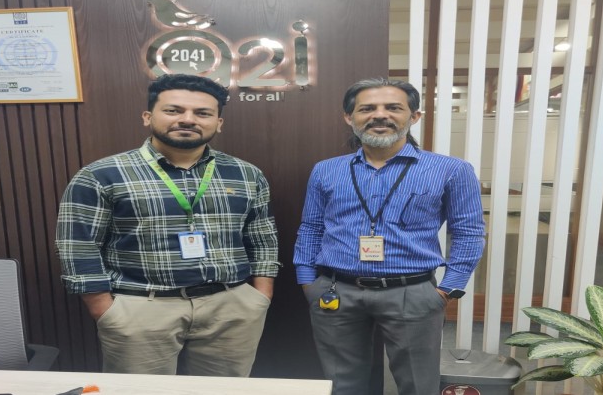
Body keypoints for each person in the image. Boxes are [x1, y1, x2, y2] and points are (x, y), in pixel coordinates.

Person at [56, 74, 280, 376]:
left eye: (202, 113)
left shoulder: (246, 174)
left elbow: (263, 237)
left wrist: (259, 296)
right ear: (148, 116)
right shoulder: (102, 175)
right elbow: (78, 246)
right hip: (141, 307)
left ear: (218, 123)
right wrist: (105, 310)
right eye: (173, 110)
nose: (188, 119)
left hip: (231, 306)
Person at [293, 78, 485, 395]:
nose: (380, 115)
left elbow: (468, 231)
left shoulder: (451, 170)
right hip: (336, 291)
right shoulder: (326, 170)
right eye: (367, 108)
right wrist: (307, 281)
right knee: (342, 384)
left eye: (393, 107)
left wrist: (449, 287)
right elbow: (311, 227)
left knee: (417, 384)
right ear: (349, 117)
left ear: (414, 116)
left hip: (412, 292)